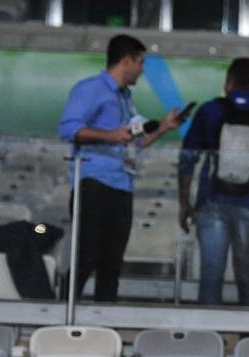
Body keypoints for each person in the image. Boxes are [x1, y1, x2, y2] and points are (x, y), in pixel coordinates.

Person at [58, 34, 182, 302]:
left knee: (112, 262)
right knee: (86, 256)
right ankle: (61, 316)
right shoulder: (90, 89)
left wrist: (163, 127)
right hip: (94, 182)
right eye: (140, 62)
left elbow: (134, 142)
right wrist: (110, 135)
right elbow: (68, 129)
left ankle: (103, 321)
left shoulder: (126, 98)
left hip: (122, 184)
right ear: (126, 61)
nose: (142, 69)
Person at [178, 57, 249, 307]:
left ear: (229, 81)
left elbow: (187, 159)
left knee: (211, 276)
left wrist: (184, 202)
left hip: (211, 202)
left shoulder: (209, 111)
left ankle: (209, 338)